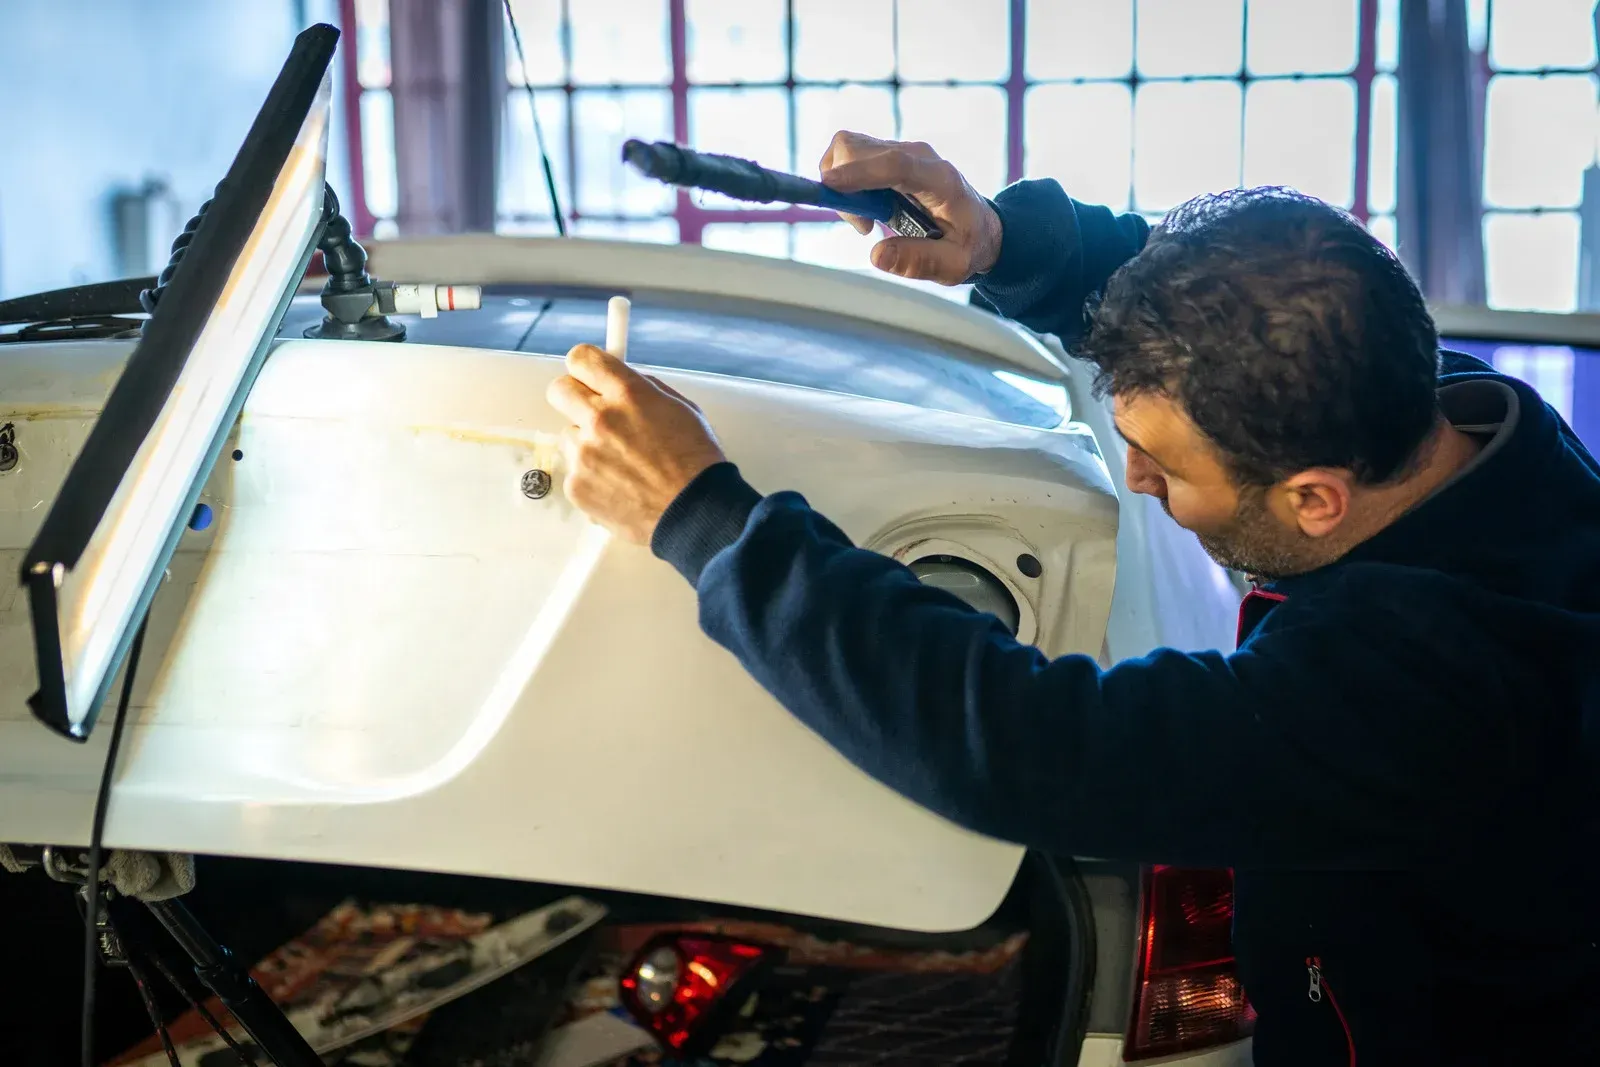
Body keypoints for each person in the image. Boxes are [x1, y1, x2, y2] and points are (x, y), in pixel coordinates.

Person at [544, 132, 1600, 1064]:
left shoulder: (1429, 692)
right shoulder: (1418, 409)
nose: (1134, 479)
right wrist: (1003, 241)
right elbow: (1236, 297)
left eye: (1164, 466)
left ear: (1314, 499)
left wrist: (704, 519)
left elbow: (1028, 738)